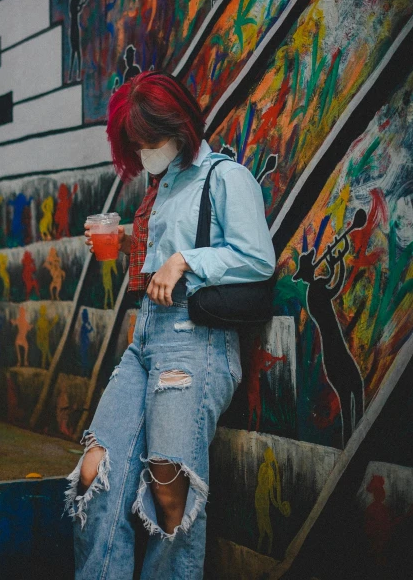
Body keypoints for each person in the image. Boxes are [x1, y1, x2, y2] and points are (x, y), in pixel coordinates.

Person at [65, 71, 275, 579]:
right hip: (146, 340)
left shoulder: (226, 177)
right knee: (94, 473)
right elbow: (153, 271)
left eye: (150, 141)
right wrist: (118, 253)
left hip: (195, 342)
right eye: (135, 146)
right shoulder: (160, 188)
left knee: (169, 489)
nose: (144, 155)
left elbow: (257, 259)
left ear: (180, 124)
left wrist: (184, 260)